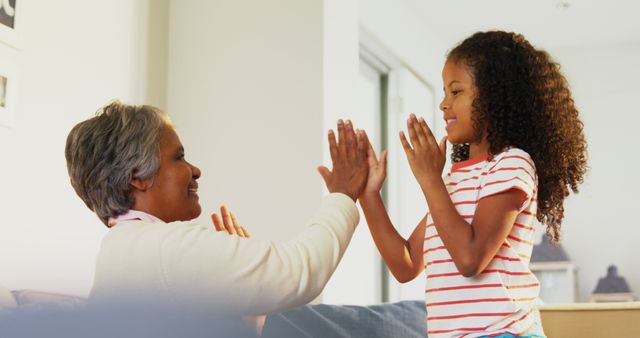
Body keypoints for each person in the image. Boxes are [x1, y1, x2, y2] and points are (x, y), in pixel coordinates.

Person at [359, 31, 587, 337]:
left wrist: (430, 180)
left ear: (494, 98)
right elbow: (407, 264)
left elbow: (470, 258)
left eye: (456, 92)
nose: (443, 104)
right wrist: (368, 194)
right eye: (443, 92)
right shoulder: (455, 180)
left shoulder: (511, 164)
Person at [64, 101, 369, 319]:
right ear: (138, 177)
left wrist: (238, 288)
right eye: (179, 157)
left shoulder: (121, 249)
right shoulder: (164, 248)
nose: (195, 170)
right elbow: (299, 272)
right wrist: (342, 194)